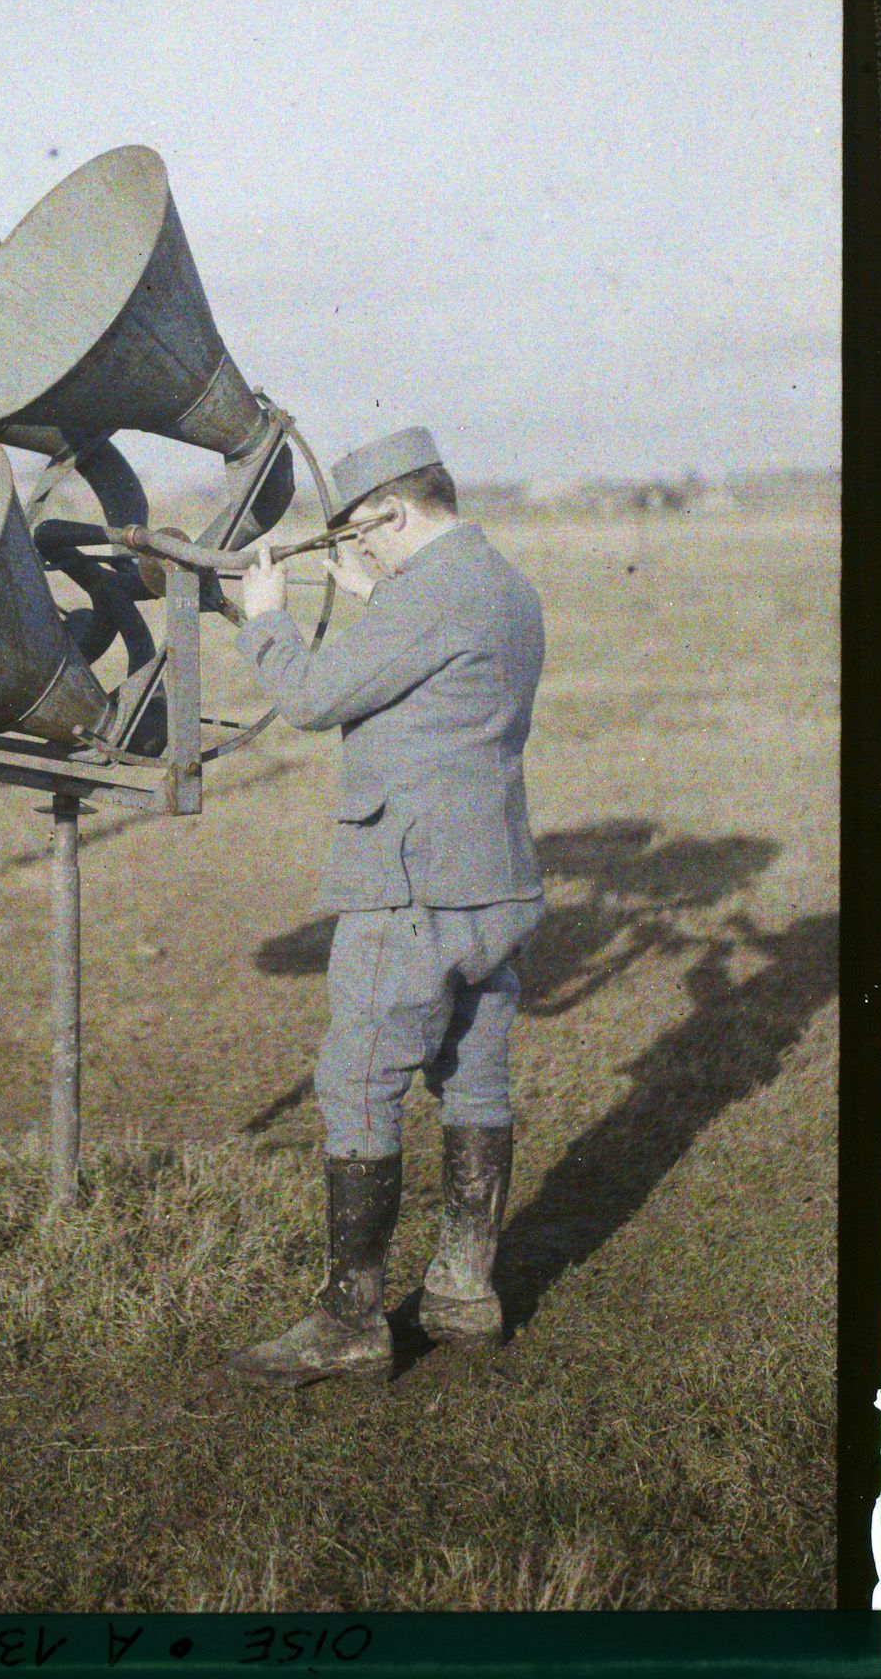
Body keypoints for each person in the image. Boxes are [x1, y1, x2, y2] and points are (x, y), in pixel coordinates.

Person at [227, 426, 545, 1388]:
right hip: (493, 882)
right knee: (474, 1076)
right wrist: (382, 597)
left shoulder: (432, 596)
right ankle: (461, 1290)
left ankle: (352, 1322)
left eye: (359, 540)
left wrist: (265, 617)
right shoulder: (497, 582)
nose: (356, 559)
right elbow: (435, 685)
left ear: (395, 513)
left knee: (360, 1082)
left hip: (409, 885)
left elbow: (316, 697)